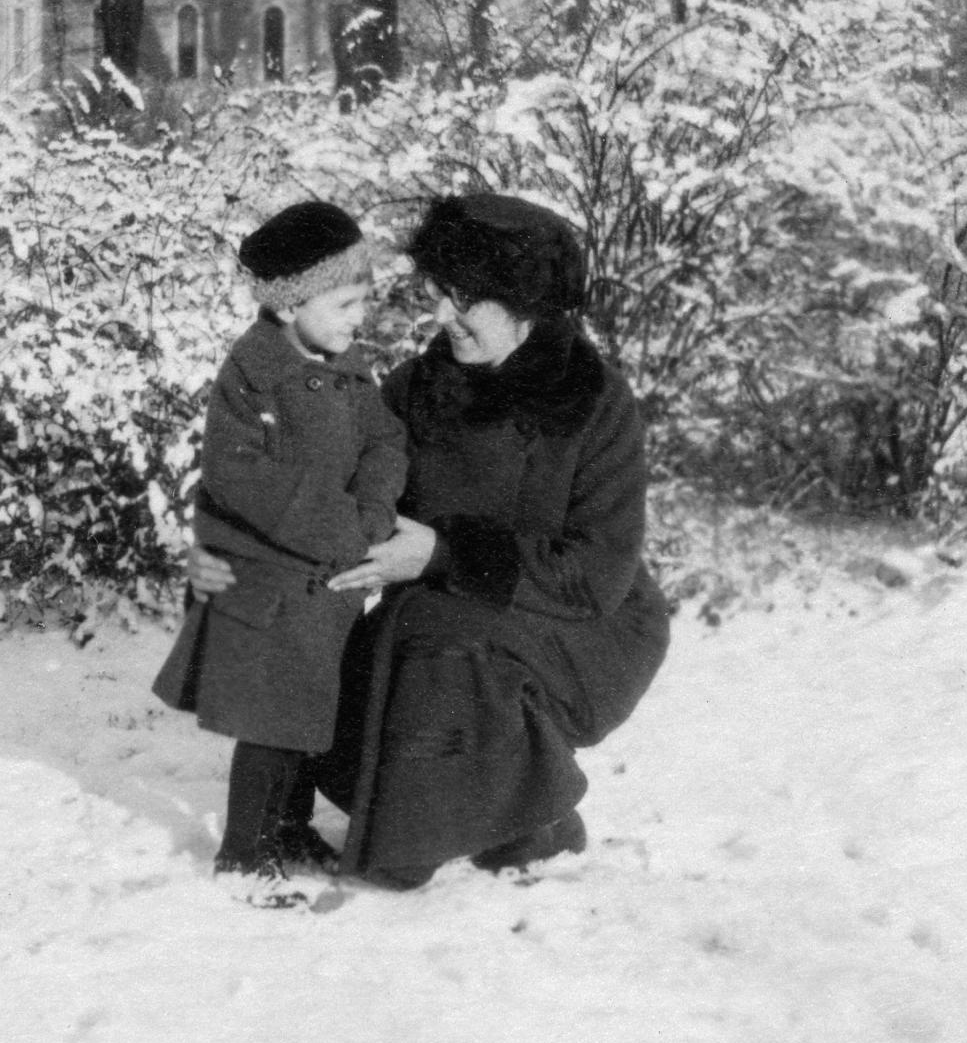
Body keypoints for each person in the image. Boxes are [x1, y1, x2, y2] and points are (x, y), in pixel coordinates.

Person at [186, 191, 671, 890]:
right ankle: (515, 820)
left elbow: (596, 575)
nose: (442, 316)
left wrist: (444, 553)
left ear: (523, 303)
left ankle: (483, 829)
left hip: (587, 627)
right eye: (438, 295)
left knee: (444, 645)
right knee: (361, 663)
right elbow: (355, 486)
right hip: (440, 616)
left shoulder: (592, 403)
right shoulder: (421, 386)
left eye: (464, 301)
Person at [152, 199, 410, 884]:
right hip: (268, 583)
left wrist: (376, 509)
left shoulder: (348, 366)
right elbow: (242, 475)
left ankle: (289, 831)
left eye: (363, 301)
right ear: (294, 303)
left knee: (304, 716)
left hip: (324, 585)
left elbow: (384, 440)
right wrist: (344, 527)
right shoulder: (253, 375)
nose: (360, 318)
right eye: (347, 302)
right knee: (271, 724)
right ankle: (243, 852)